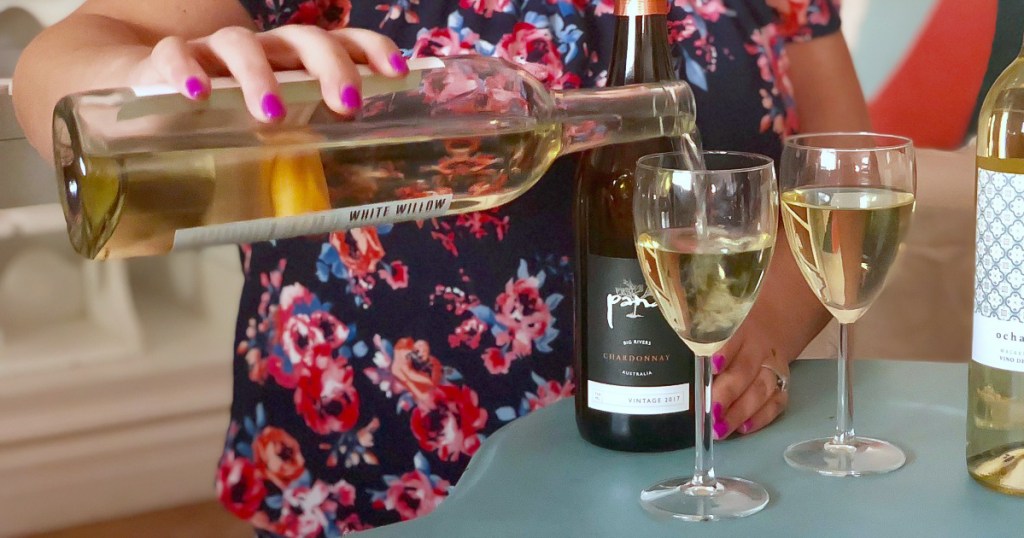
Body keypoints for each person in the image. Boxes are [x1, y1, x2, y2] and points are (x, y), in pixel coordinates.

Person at [12, 0, 870, 535]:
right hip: (379, 470)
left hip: (690, 473)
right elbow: (59, 62)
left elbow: (841, 174)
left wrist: (770, 331)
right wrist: (139, 77)